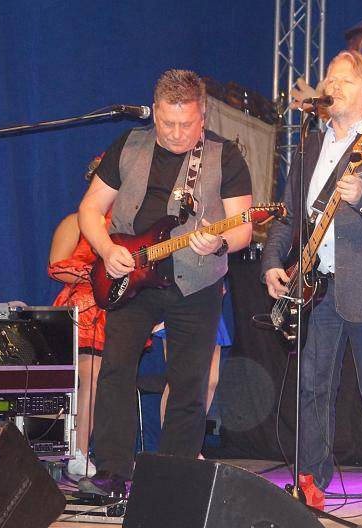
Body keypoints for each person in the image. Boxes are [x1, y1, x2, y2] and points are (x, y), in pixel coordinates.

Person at [76, 69, 253, 496]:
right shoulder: (129, 144)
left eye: (186, 124)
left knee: (189, 383)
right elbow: (89, 209)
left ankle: (172, 481)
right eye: (167, 122)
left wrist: (218, 241)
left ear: (203, 114)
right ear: (154, 111)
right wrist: (106, 249)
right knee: (115, 371)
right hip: (131, 276)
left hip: (195, 283)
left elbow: (243, 228)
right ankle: (112, 471)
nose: (176, 133)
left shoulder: (226, 155)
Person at [262, 50, 362, 523]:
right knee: (312, 388)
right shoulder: (310, 145)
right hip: (315, 288)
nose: (332, 86)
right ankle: (310, 479)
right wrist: (272, 262)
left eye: (344, 80)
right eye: (330, 79)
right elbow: (288, 213)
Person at [48, 154, 108, 478]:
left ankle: (95, 450)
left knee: (105, 381)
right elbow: (56, 266)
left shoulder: (129, 227)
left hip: (118, 309)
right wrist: (100, 272)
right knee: (90, 376)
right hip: (83, 308)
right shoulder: (74, 222)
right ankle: (78, 452)